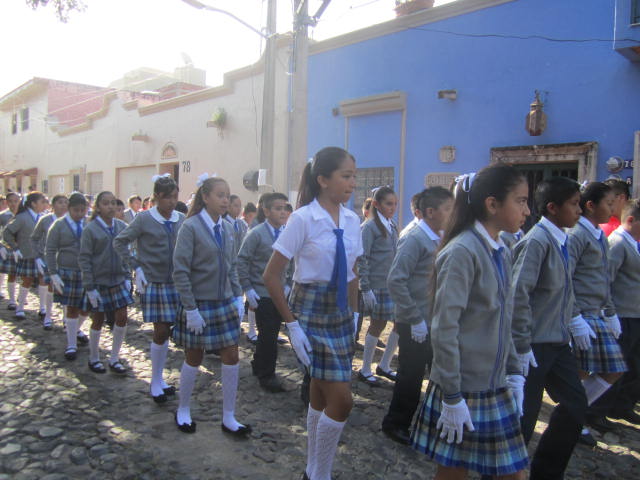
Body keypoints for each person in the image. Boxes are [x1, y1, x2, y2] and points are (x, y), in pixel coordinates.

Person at [412, 165, 530, 480]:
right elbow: (444, 327)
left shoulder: (501, 249)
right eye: (520, 201)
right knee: (454, 472)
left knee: (512, 473)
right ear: (492, 205)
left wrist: (515, 370)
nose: (527, 210)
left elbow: (502, 317)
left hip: (494, 384)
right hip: (464, 388)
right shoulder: (463, 251)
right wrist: (452, 396)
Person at [263, 147, 362, 480]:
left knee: (321, 392)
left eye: (353, 176)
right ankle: (321, 473)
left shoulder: (352, 220)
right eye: (345, 176)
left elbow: (351, 272)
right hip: (310, 311)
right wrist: (292, 325)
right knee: (343, 399)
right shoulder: (303, 218)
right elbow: (271, 275)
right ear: (322, 180)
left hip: (339, 313)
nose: (351, 183)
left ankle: (312, 470)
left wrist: (354, 314)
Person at [510, 177, 587, 479]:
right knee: (524, 420)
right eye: (574, 204)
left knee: (575, 405)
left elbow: (564, 290)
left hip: (557, 341)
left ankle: (546, 472)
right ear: (553, 208)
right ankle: (504, 473)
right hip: (534, 344)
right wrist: (521, 344)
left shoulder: (562, 239)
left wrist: (575, 319)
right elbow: (519, 294)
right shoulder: (536, 242)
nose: (579, 210)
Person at [171, 174, 248, 436]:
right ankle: (183, 409)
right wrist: (190, 308)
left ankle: (229, 416)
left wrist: (237, 296)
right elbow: (180, 271)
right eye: (220, 195)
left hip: (224, 302)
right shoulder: (190, 227)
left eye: (228, 195)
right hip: (199, 305)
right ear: (205, 197)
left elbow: (232, 265)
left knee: (232, 356)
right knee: (194, 357)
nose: (226, 200)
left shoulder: (228, 228)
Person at [382, 186, 453, 445]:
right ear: (430, 212)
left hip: (435, 319)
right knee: (411, 376)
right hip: (415, 322)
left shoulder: (442, 236)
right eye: (448, 209)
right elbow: (396, 280)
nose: (452, 213)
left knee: (440, 373)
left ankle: (432, 420)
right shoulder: (414, 238)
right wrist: (414, 318)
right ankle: (396, 423)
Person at [114, 174, 185, 403]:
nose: (172, 202)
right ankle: (155, 380)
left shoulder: (181, 219)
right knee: (161, 330)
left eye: (175, 197)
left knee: (172, 331)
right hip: (155, 281)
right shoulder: (144, 219)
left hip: (178, 282)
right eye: (167, 198)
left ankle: (162, 378)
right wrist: (136, 267)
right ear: (156, 197)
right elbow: (119, 241)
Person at [567, 182, 627, 446]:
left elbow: (602, 278)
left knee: (613, 369)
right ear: (590, 205)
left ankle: (573, 413)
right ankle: (570, 419)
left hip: (597, 312)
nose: (613, 208)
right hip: (581, 313)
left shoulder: (599, 235)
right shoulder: (577, 234)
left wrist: (610, 311)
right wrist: (574, 316)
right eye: (609, 203)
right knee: (580, 372)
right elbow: (564, 278)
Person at [238, 192, 290, 393]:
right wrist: (248, 288)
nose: (282, 212)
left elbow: (292, 260)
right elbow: (242, 260)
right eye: (277, 208)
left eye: (285, 208)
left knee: (272, 332)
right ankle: (267, 375)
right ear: (266, 211)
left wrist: (288, 283)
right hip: (263, 293)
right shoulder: (257, 233)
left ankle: (259, 364)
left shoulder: (287, 232)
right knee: (268, 335)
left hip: (281, 292)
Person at [78, 191, 134, 375]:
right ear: (98, 207)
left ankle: (114, 358)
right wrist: (89, 287)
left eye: (113, 203)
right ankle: (94, 357)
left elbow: (126, 252)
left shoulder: (121, 226)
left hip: (118, 279)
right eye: (105, 203)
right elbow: (84, 258)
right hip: (98, 282)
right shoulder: (91, 229)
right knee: (98, 319)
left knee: (122, 317)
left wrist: (127, 275)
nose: (110, 207)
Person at [602, 199, 640, 424]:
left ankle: (623, 405)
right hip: (622, 315)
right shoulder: (617, 243)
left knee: (633, 365)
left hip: (634, 314)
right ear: (631, 220)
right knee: (616, 366)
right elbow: (606, 280)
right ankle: (602, 409)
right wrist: (610, 312)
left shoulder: (632, 243)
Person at [358, 186, 400, 385]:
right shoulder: (370, 226)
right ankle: (365, 368)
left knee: (400, 323)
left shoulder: (392, 225)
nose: (392, 208)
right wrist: (365, 287)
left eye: (394, 204)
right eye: (388, 204)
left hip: (392, 284)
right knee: (377, 325)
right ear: (376, 204)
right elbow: (362, 257)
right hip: (377, 284)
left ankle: (385, 364)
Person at [45, 193, 90, 360]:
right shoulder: (58, 225)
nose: (79, 213)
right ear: (69, 209)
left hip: (86, 272)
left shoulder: (89, 223)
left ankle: (76, 328)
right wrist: (53, 273)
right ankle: (71, 344)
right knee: (71, 307)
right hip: (67, 271)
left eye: (82, 210)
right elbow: (50, 250)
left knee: (87, 307)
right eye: (76, 210)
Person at [3, 191, 48, 320]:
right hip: (27, 254)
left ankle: (43, 307)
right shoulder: (22, 217)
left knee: (43, 281)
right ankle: (20, 307)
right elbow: (7, 233)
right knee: (26, 281)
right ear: (33, 204)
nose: (45, 204)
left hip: (41, 255)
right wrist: (15, 248)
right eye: (42, 202)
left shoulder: (43, 217)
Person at [31, 194, 69, 329]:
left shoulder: (70, 221)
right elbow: (34, 238)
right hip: (48, 258)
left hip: (65, 261)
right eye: (60, 202)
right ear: (52, 205)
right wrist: (37, 257)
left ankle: (66, 319)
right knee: (51, 288)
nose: (63, 205)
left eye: (66, 202)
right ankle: (48, 315)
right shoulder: (45, 220)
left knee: (66, 289)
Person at [0, 192, 22, 307]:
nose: (13, 204)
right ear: (6, 202)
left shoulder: (23, 215)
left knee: (24, 276)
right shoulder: (3, 216)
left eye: (16, 201)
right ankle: (12, 300)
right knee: (11, 274)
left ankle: (21, 296)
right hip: (8, 249)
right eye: (10, 201)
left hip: (23, 249)